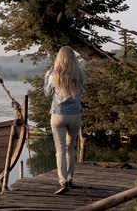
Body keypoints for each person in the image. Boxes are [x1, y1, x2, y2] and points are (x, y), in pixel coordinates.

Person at [44, 46, 85, 195]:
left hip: (58, 115)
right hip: (75, 114)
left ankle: (63, 181)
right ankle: (70, 178)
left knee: (60, 150)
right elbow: (81, 92)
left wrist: (46, 76)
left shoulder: (54, 74)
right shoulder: (80, 74)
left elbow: (47, 93)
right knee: (70, 148)